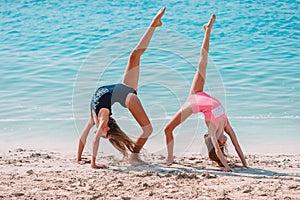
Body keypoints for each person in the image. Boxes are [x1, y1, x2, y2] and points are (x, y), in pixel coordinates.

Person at [77, 7, 166, 169]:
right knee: (148, 129)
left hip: (124, 87)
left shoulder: (95, 117)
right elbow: (93, 138)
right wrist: (93, 163)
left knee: (134, 54)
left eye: (105, 135)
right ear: (108, 127)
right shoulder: (102, 117)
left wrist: (84, 161)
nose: (102, 133)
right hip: (128, 97)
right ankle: (135, 155)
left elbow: (84, 137)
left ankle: (154, 24)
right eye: (106, 134)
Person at [164, 14, 247, 172]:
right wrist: (244, 163)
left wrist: (227, 168)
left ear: (218, 142)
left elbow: (216, 151)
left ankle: (169, 159)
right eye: (225, 142)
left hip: (192, 103)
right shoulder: (226, 126)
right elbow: (237, 144)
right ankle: (207, 31)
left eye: (222, 144)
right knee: (203, 62)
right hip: (199, 92)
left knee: (167, 129)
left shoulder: (212, 130)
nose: (226, 142)